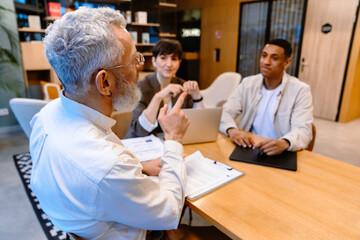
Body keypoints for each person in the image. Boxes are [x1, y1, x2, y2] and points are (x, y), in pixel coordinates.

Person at [29, 7, 190, 240]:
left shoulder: (47, 115)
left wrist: (139, 167)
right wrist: (174, 139)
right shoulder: (108, 166)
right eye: (135, 60)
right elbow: (169, 212)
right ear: (104, 82)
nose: (139, 67)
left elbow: (87, 174)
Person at [220, 39, 313, 155]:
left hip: (280, 152)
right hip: (249, 147)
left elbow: (304, 131)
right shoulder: (248, 83)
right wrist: (232, 130)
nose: (266, 62)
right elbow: (225, 112)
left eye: (274, 58)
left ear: (287, 62)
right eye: (264, 56)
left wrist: (285, 143)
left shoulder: (300, 90)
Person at [129, 39, 204, 137]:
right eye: (163, 58)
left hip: (173, 141)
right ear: (154, 61)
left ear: (179, 62)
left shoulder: (182, 85)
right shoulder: (142, 86)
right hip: (145, 144)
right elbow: (140, 130)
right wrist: (158, 97)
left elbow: (199, 125)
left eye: (174, 59)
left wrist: (196, 95)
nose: (169, 64)